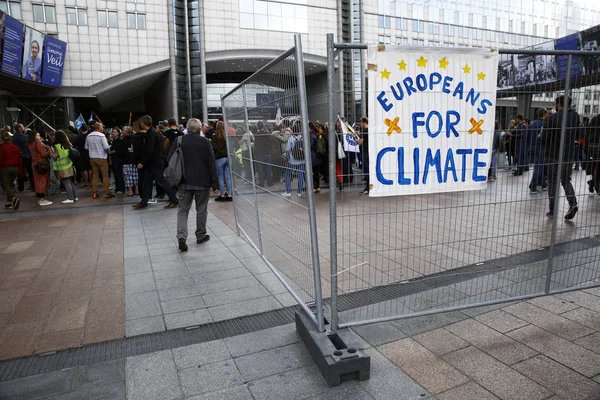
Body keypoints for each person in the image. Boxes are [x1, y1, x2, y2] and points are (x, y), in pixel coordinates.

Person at [167, 118, 218, 251]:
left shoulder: (179, 140)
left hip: (184, 182)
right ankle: (200, 235)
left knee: (183, 210)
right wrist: (215, 184)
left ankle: (182, 237)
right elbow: (211, 163)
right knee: (201, 210)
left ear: (188, 128)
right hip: (203, 182)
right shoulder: (205, 142)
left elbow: (170, 159)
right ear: (200, 129)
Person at [542, 95, 582, 220]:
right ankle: (573, 203)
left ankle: (553, 209)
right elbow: (578, 133)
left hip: (553, 155)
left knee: (553, 182)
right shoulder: (575, 117)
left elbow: (545, 138)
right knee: (566, 180)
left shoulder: (552, 118)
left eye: (555, 103)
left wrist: (541, 138)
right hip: (568, 155)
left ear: (559, 104)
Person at [132, 115, 179, 209]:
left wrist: (142, 162)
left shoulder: (151, 134)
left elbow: (149, 150)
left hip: (155, 163)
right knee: (147, 183)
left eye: (141, 122)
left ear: (143, 123)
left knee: (163, 182)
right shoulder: (152, 132)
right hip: (152, 164)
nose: (140, 124)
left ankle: (174, 200)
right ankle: (144, 202)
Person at [85, 122, 114, 199]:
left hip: (92, 158)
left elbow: (86, 147)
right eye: (102, 127)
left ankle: (94, 193)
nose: (103, 129)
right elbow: (106, 147)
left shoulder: (88, 136)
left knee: (95, 176)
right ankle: (107, 193)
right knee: (105, 176)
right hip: (101, 158)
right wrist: (109, 151)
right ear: (99, 128)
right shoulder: (102, 136)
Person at [50, 130, 78, 204]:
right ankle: (75, 196)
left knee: (66, 182)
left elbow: (55, 157)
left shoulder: (57, 146)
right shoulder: (68, 144)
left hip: (62, 167)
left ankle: (70, 198)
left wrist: (50, 151)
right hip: (69, 164)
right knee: (70, 182)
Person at [27, 130, 52, 206]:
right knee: (42, 181)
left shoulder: (30, 144)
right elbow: (44, 154)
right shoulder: (38, 144)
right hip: (41, 164)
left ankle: (40, 198)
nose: (39, 136)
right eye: (37, 135)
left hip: (34, 164)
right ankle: (42, 199)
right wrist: (49, 150)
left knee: (38, 181)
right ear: (34, 136)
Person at [0, 130, 22, 210]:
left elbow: (0, 160)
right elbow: (20, 160)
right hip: (15, 168)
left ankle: (13, 198)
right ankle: (9, 203)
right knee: (10, 185)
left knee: (6, 186)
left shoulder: (2, 148)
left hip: (6, 168)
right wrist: (20, 170)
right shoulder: (16, 148)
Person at [528, 108, 549, 193]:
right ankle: (533, 186)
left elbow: (528, 136)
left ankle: (543, 184)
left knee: (541, 166)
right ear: (544, 114)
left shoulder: (532, 124)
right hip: (542, 147)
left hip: (533, 146)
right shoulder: (545, 124)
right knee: (539, 167)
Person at [282, 123, 306, 197]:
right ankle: (299, 192)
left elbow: (287, 149)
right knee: (301, 175)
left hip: (292, 160)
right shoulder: (303, 137)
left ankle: (288, 192)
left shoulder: (291, 138)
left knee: (288, 175)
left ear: (292, 131)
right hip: (302, 160)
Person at [212, 121, 233, 201]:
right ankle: (230, 194)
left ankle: (222, 195)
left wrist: (217, 154)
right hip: (228, 157)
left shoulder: (215, 136)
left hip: (220, 158)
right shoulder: (228, 135)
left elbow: (214, 147)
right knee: (227, 177)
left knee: (220, 177)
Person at [12, 123, 34, 192]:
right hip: (27, 156)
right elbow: (28, 147)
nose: (24, 127)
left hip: (18, 157)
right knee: (30, 172)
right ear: (19, 129)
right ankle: (33, 186)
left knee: (20, 172)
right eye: (22, 127)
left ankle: (20, 187)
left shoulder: (13, 137)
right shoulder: (25, 137)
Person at [120, 126, 139, 196]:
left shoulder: (123, 141)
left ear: (126, 132)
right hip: (135, 160)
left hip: (126, 160)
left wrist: (121, 158)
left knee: (128, 176)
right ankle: (137, 190)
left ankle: (130, 191)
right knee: (135, 175)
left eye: (123, 130)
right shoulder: (135, 139)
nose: (122, 131)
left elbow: (121, 152)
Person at [254, 121, 273, 187]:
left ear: (258, 126)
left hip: (260, 153)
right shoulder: (267, 133)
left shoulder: (257, 134)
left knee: (260, 169)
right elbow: (270, 143)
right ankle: (270, 183)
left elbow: (255, 145)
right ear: (263, 126)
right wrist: (269, 149)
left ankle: (261, 183)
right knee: (268, 168)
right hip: (267, 152)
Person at [109, 127, 126, 195]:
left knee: (119, 174)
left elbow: (115, 150)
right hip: (114, 159)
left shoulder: (119, 140)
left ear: (118, 133)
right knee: (116, 174)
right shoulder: (114, 140)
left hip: (118, 159)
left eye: (115, 131)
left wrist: (108, 153)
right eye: (113, 131)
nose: (113, 133)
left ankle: (121, 189)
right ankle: (117, 188)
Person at [356, 117, 369, 193]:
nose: (360, 124)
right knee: (368, 170)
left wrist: (355, 139)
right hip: (368, 151)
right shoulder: (370, 130)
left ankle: (367, 188)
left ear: (364, 122)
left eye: (361, 123)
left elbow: (360, 142)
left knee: (366, 170)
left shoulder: (364, 130)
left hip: (364, 152)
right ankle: (368, 187)